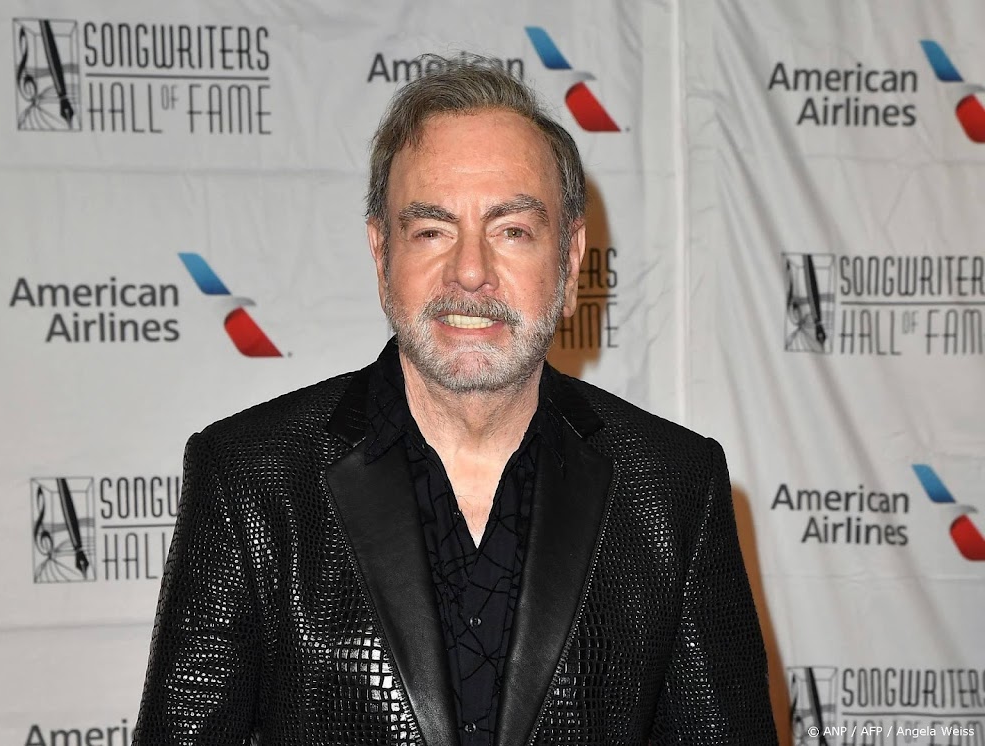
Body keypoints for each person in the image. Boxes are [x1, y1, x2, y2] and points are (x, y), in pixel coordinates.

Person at [132, 55, 776, 746]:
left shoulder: (674, 488)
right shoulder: (250, 479)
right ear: (382, 256)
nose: (470, 272)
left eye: (511, 230)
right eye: (432, 230)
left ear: (570, 261)